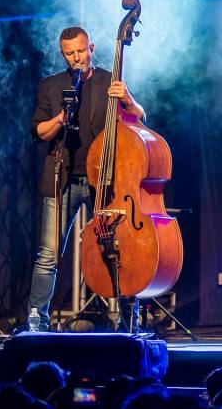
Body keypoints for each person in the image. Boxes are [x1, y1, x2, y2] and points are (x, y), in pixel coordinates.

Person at [26, 26, 145, 331]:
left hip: (104, 179)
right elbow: (39, 131)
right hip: (61, 178)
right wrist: (60, 118)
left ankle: (130, 319)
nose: (76, 58)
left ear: (91, 46)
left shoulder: (110, 81)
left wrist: (128, 100)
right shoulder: (51, 86)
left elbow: (140, 118)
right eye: (69, 53)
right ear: (62, 54)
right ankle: (36, 321)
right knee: (48, 254)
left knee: (119, 247)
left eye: (81, 51)